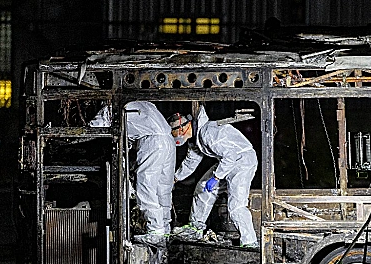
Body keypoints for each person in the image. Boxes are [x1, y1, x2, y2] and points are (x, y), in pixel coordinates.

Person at [168, 106, 259, 249]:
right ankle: (196, 228)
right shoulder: (196, 139)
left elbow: (231, 156)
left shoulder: (207, 133)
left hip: (242, 161)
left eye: (174, 132)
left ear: (182, 128)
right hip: (227, 162)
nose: (175, 136)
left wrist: (216, 177)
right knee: (203, 188)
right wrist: (175, 178)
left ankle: (249, 241)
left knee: (236, 205)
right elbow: (191, 161)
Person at [90, 101, 175, 245]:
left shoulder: (113, 107)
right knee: (163, 189)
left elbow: (95, 127)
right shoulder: (144, 104)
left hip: (153, 143)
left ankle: (155, 232)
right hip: (168, 141)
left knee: (146, 187)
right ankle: (165, 230)